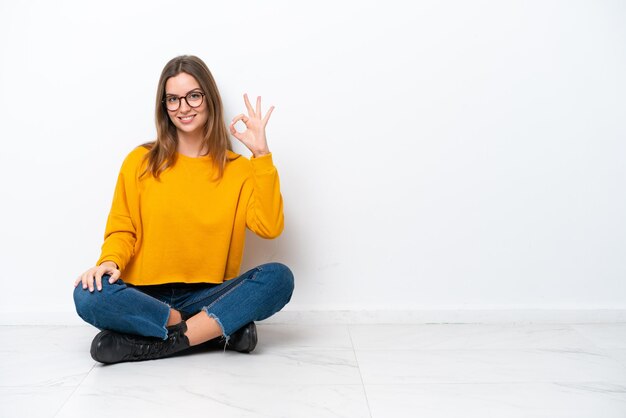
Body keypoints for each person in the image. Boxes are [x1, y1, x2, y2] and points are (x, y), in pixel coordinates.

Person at [73, 55, 294, 364]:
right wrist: (108, 262)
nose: (183, 107)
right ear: (164, 106)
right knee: (87, 294)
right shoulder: (140, 160)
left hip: (208, 293)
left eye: (193, 96)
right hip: (146, 296)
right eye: (172, 99)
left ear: (209, 99)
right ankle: (211, 330)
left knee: (279, 278)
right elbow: (122, 229)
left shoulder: (239, 169)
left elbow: (270, 227)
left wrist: (261, 154)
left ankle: (158, 341)